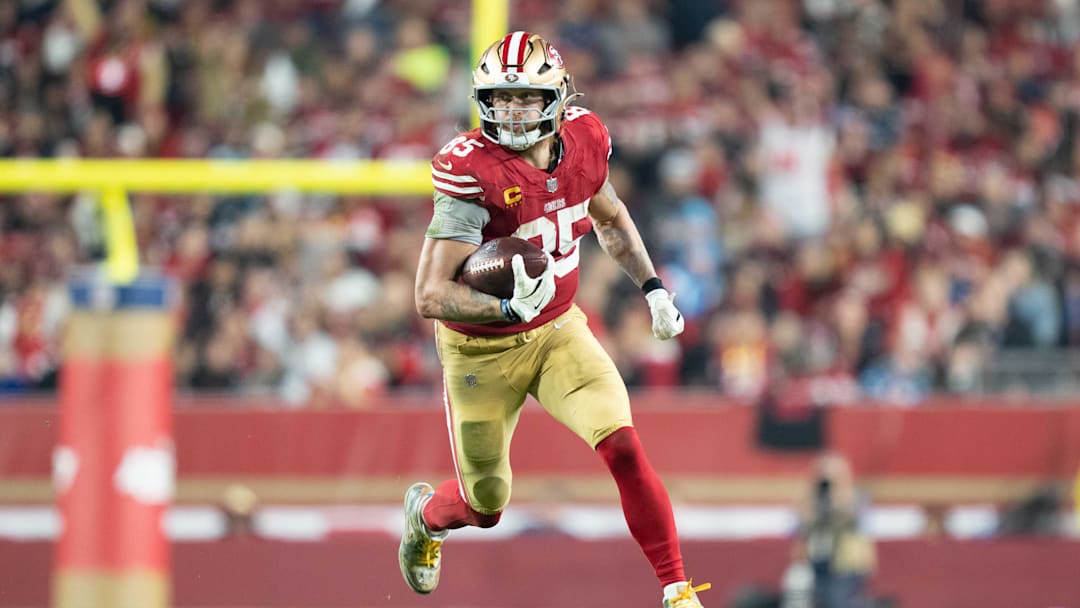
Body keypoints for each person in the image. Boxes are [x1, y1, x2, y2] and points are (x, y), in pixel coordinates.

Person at [399, 31, 709, 608]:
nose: (513, 111)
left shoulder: (586, 140)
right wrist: (505, 307)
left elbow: (609, 216)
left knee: (622, 444)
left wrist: (652, 288)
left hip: (559, 330)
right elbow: (430, 294)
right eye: (502, 98)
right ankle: (427, 516)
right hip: (480, 352)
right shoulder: (472, 171)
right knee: (485, 505)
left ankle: (677, 588)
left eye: (526, 98)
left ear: (558, 99)